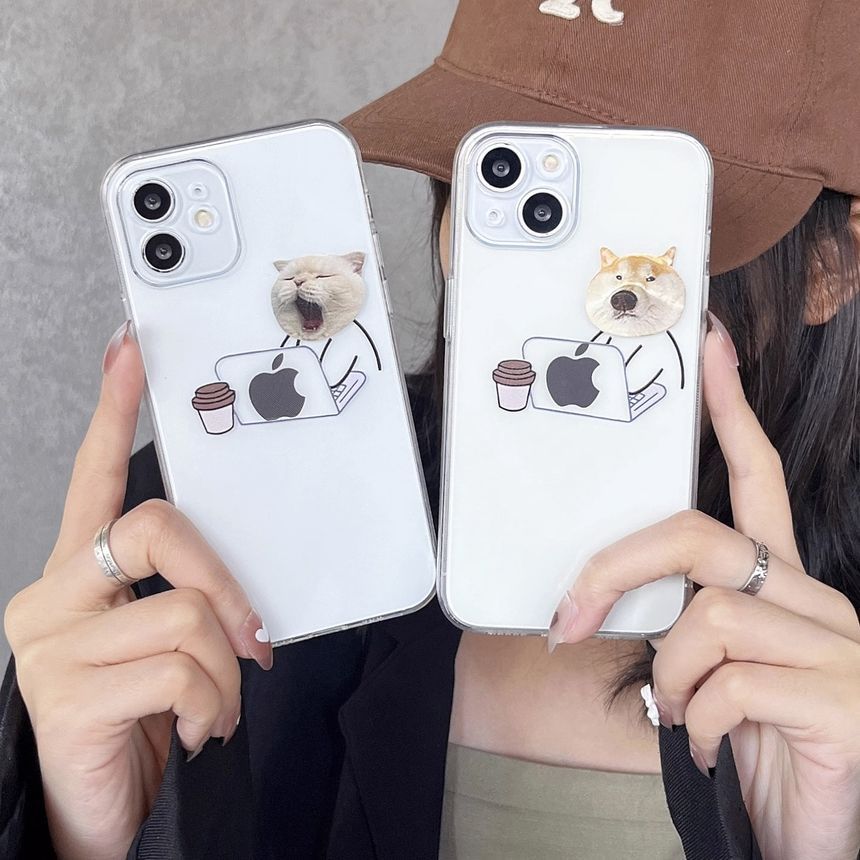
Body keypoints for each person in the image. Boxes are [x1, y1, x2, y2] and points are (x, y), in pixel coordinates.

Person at [2, 1, 860, 858]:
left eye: (634, 209)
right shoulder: (193, 539)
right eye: (494, 181)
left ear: (832, 268)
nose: (545, 282)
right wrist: (91, 834)